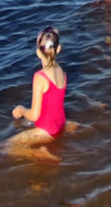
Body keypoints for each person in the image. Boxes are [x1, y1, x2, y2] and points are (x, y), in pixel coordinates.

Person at [7, 26, 67, 157]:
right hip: (60, 123)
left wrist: (21, 109)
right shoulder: (61, 71)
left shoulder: (40, 77)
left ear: (38, 53)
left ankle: (38, 153)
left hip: (46, 130)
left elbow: (34, 115)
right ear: (58, 49)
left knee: (3, 148)